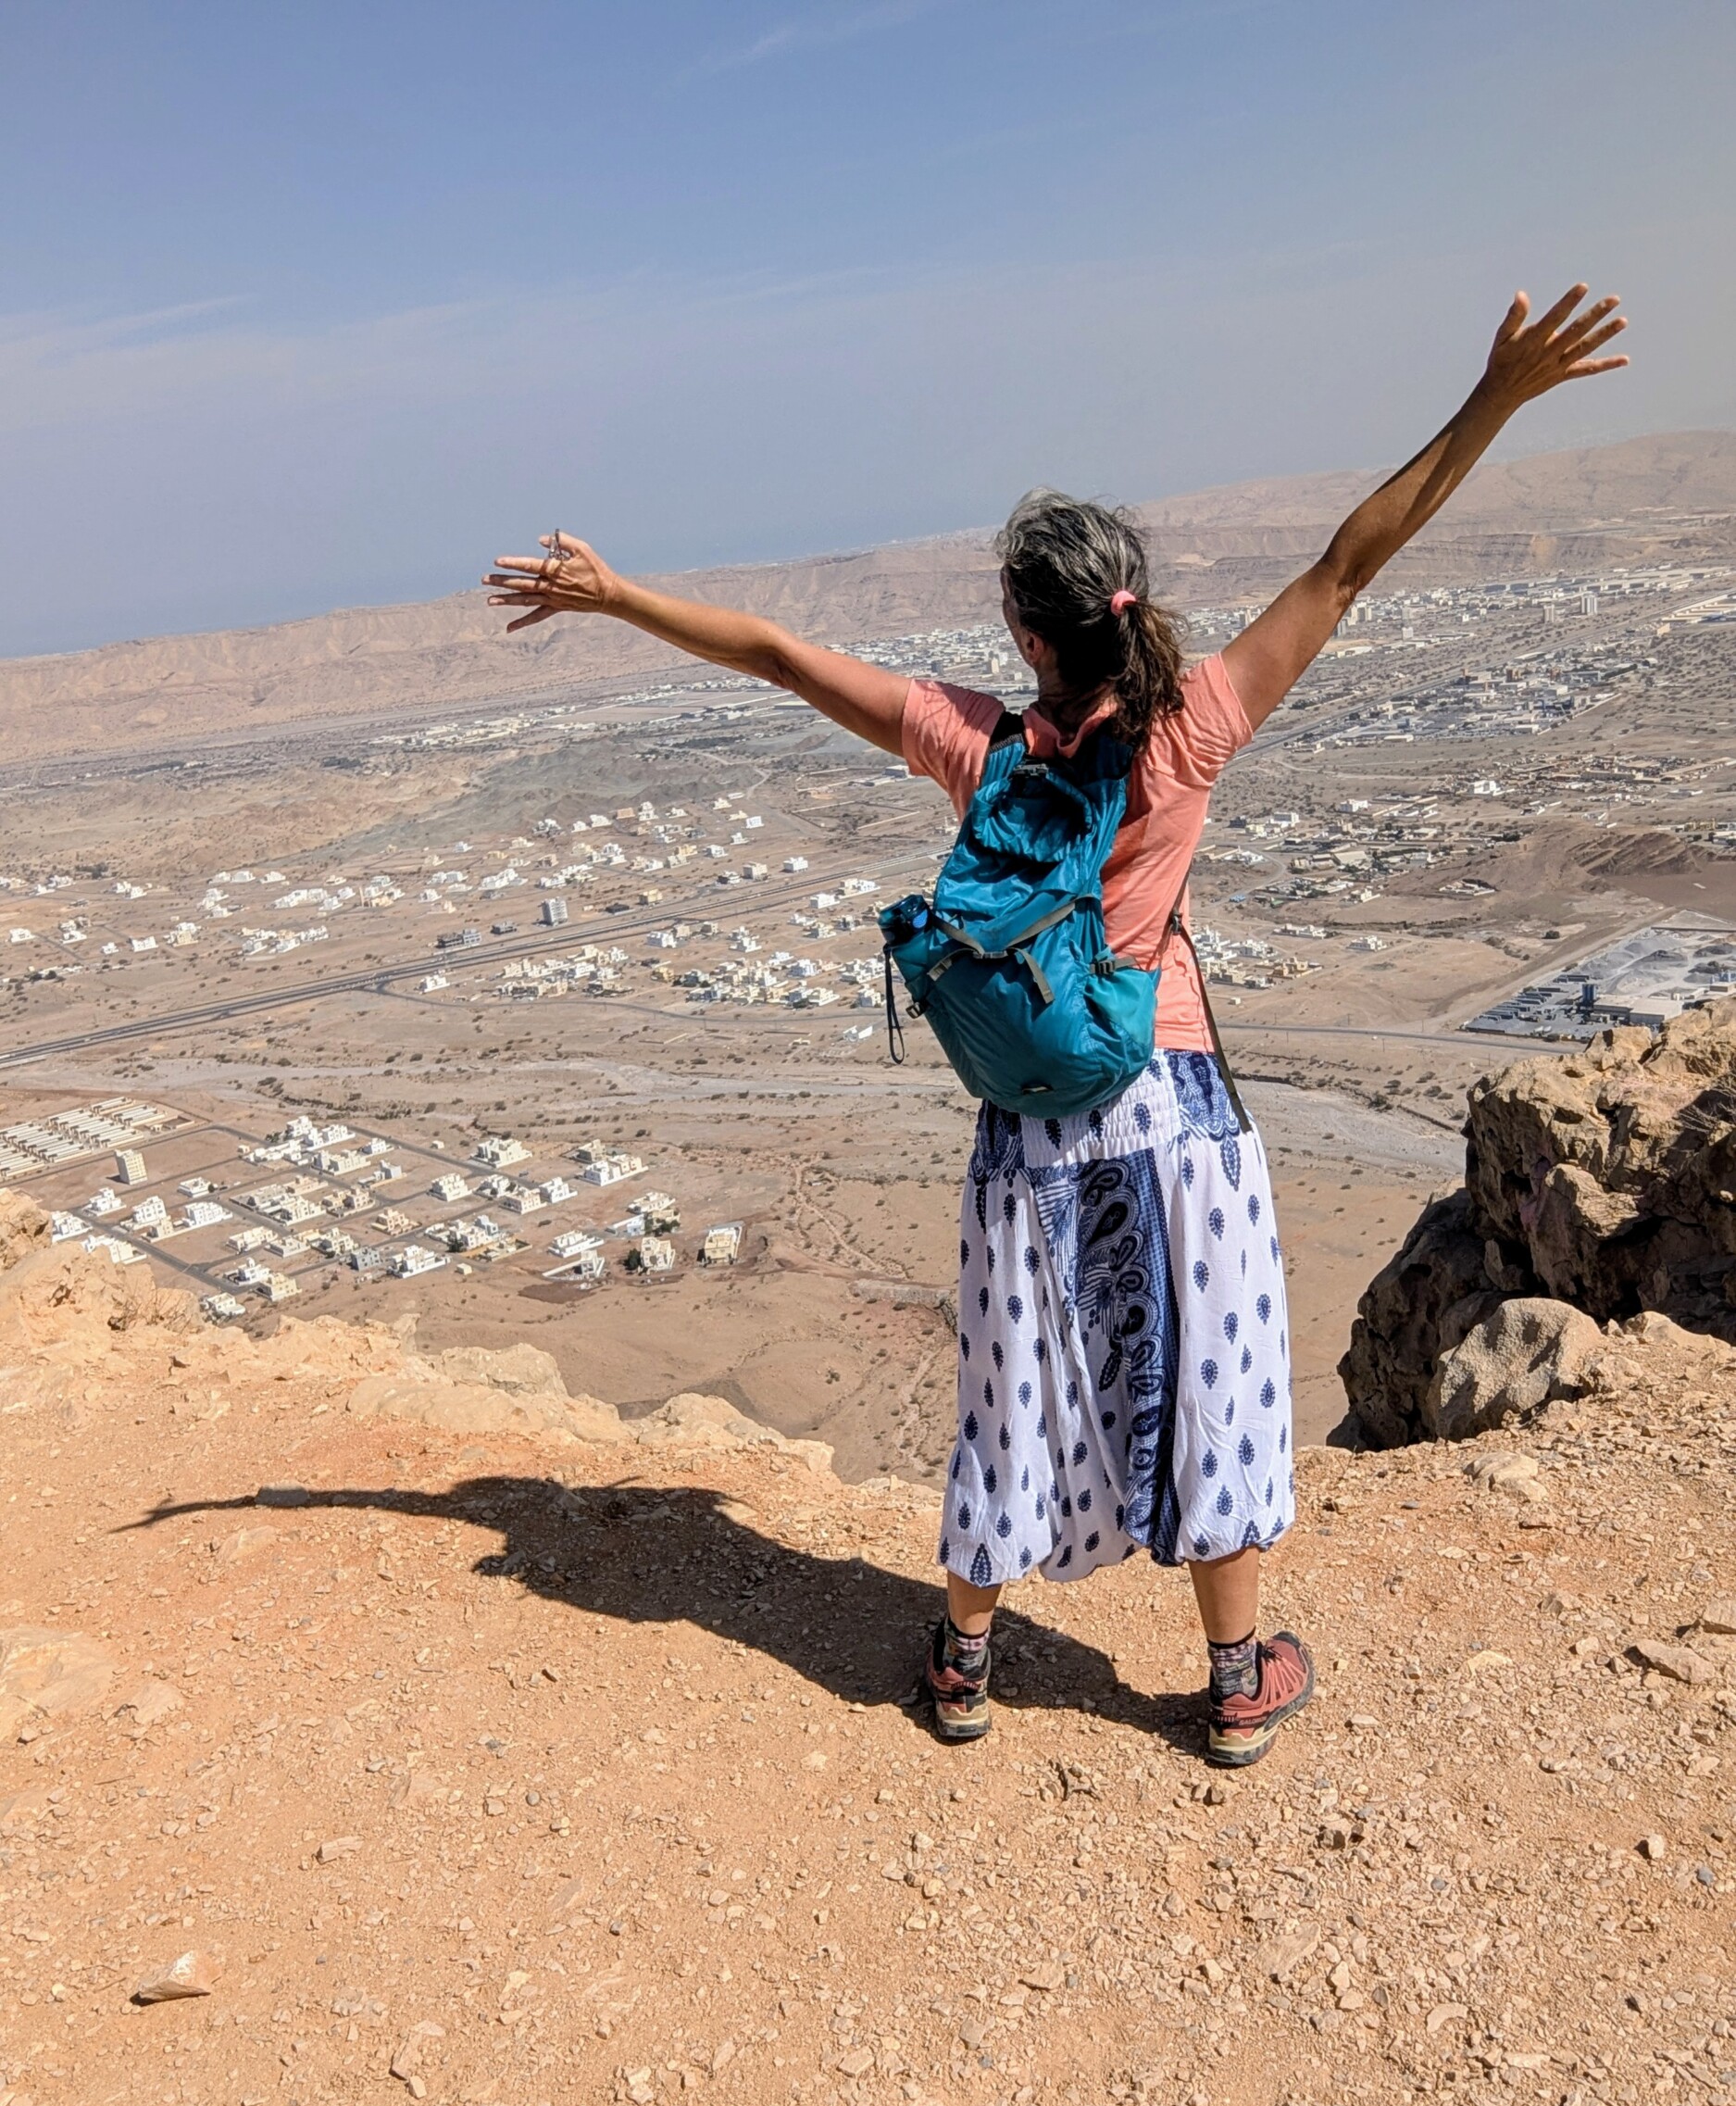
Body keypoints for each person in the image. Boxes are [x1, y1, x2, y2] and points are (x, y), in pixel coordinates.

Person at [486, 283, 1627, 1766]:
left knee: (1019, 1379)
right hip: (1172, 1107)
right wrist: (1495, 398)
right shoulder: (1195, 725)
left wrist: (619, 592)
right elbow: (1350, 564)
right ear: (1128, 609)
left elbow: (774, 653)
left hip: (1029, 1124)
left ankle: (963, 1664)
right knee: (1206, 1373)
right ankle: (1232, 1682)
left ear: (1026, 635)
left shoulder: (978, 742)